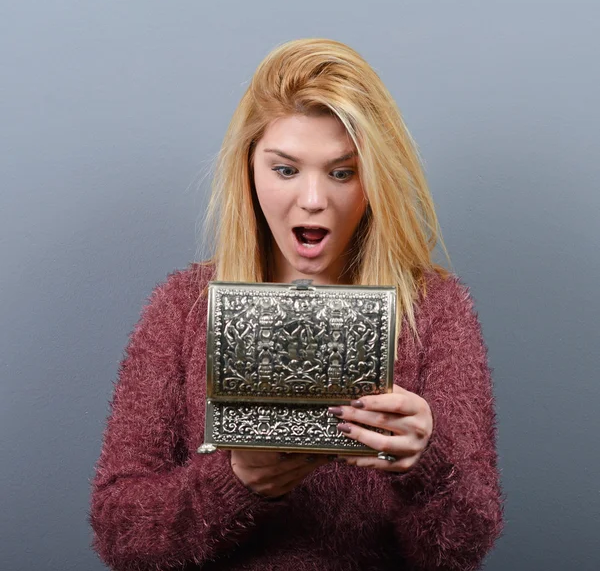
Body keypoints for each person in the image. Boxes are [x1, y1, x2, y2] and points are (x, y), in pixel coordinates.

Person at [90, 38, 503, 570]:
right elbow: (120, 537)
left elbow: (462, 549)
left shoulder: (435, 311)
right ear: (249, 169)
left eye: (342, 172)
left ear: (374, 177)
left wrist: (427, 464)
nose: (313, 199)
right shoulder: (183, 309)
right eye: (286, 170)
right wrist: (236, 483)